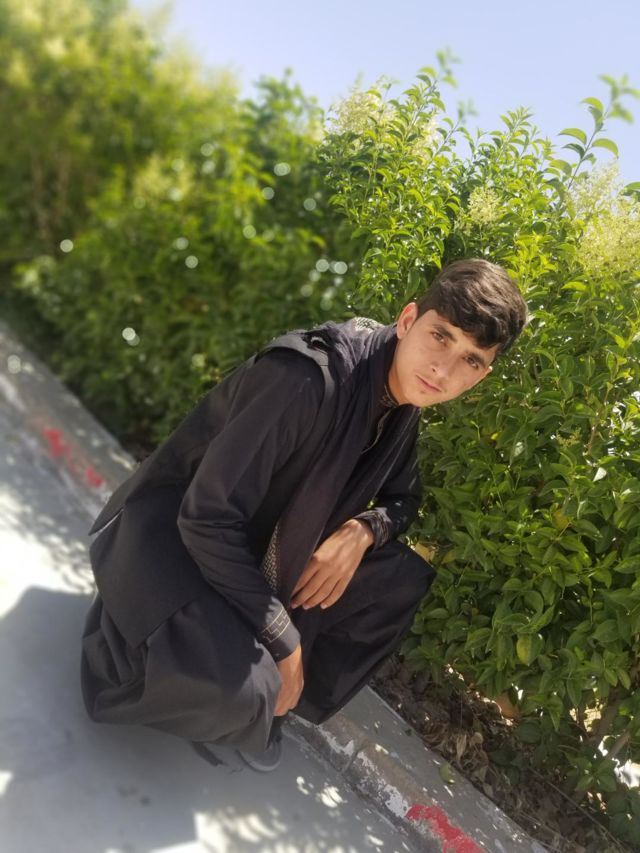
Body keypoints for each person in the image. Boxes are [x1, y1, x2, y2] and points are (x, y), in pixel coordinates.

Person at [81, 258, 528, 771]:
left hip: (252, 550)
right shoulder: (306, 380)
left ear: (482, 374)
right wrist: (284, 640)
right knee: (236, 695)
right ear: (408, 320)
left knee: (399, 579)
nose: (443, 370)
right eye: (440, 336)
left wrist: (362, 530)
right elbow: (205, 520)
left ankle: (263, 694)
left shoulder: (403, 398)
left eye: (470, 359)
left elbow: (404, 499)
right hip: (170, 544)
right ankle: (161, 662)